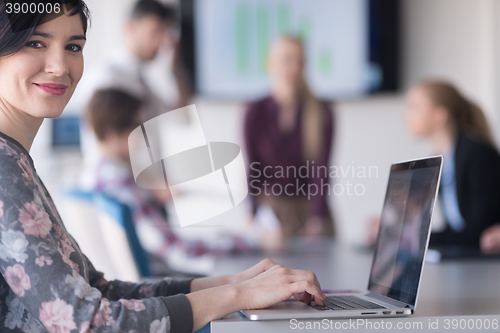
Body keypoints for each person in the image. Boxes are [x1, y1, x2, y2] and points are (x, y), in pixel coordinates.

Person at [0, 2, 326, 332]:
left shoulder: (17, 162)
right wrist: (238, 294)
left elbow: (103, 291)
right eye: (36, 42)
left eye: (73, 46)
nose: (59, 66)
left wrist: (236, 282)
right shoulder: (5, 170)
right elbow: (90, 323)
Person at [77, 88, 266, 276]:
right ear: (114, 135)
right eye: (138, 126)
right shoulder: (120, 185)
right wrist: (250, 241)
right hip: (164, 282)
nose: (144, 135)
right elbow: (177, 250)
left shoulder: (91, 176)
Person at [72, 0, 192, 170]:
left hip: (146, 187)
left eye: (165, 33)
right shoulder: (107, 78)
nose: (161, 42)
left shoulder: (141, 80)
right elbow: (104, 149)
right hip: (120, 187)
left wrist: (177, 69)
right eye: (155, 32)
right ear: (130, 27)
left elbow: (181, 117)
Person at [243, 35, 335, 243]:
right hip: (273, 214)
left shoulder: (322, 111)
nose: (292, 67)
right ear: (271, 64)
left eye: (299, 61)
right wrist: (253, 214)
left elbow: (321, 170)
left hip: (313, 211)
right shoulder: (254, 111)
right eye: (286, 60)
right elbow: (253, 168)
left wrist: (317, 219)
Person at [404, 80, 500, 249]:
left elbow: (477, 231)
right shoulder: (441, 159)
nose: (406, 116)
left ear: (440, 115)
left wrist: (413, 239)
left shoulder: (477, 155)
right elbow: (456, 228)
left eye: (415, 107)